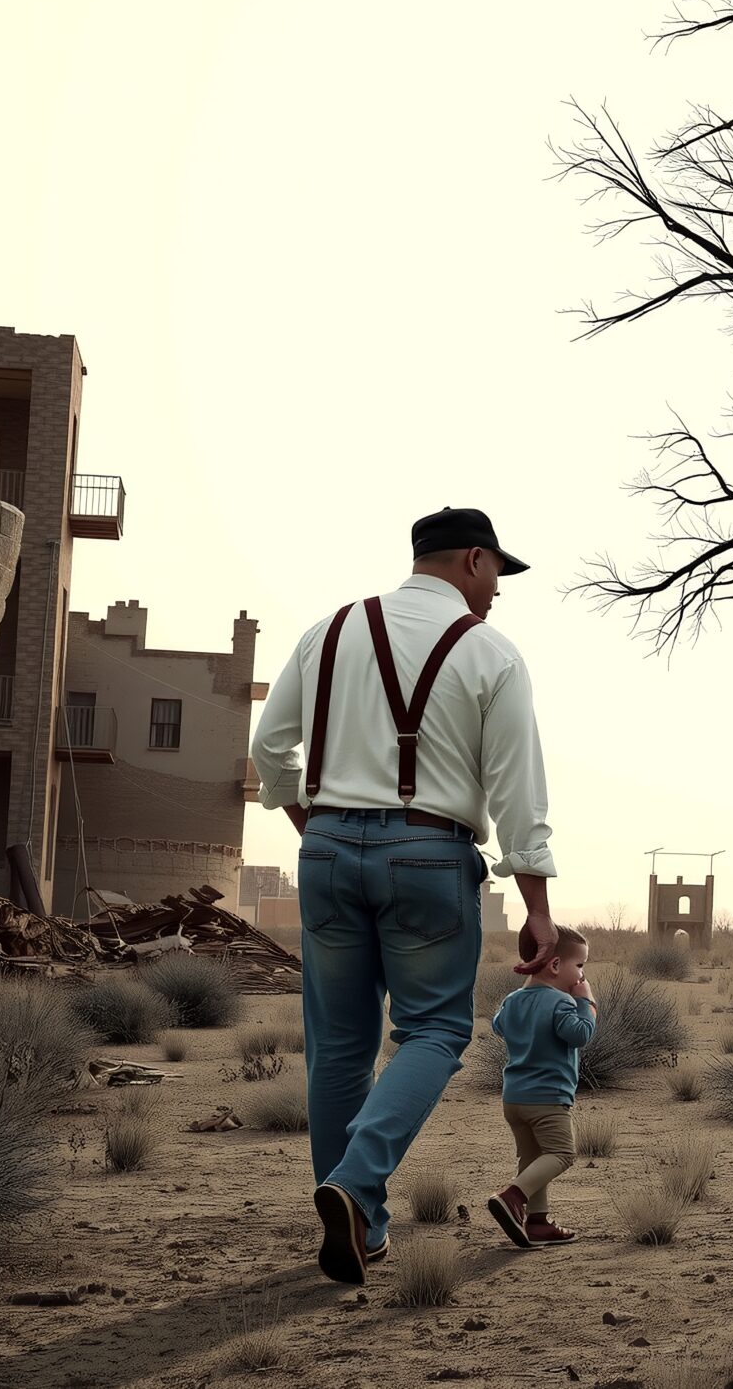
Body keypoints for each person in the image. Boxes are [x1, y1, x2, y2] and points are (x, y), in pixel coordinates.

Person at [250, 506, 560, 1286]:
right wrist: (537, 905)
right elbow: (518, 788)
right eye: (497, 574)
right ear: (474, 561)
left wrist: (310, 820)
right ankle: (355, 1188)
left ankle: (364, 1228)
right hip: (427, 853)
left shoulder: (327, 630)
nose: (497, 592)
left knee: (338, 1046)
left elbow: (267, 747)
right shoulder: (489, 650)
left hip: (324, 850)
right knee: (433, 1031)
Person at [486, 923, 595, 1248]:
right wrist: (587, 1004)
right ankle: (513, 1196)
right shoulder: (561, 1003)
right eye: (579, 966)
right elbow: (580, 1035)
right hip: (547, 1098)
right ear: (556, 965)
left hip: (514, 1099)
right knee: (561, 1153)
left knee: (532, 1160)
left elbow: (498, 1025)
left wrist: (528, 992)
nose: (581, 976)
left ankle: (538, 1222)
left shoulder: (513, 1000)